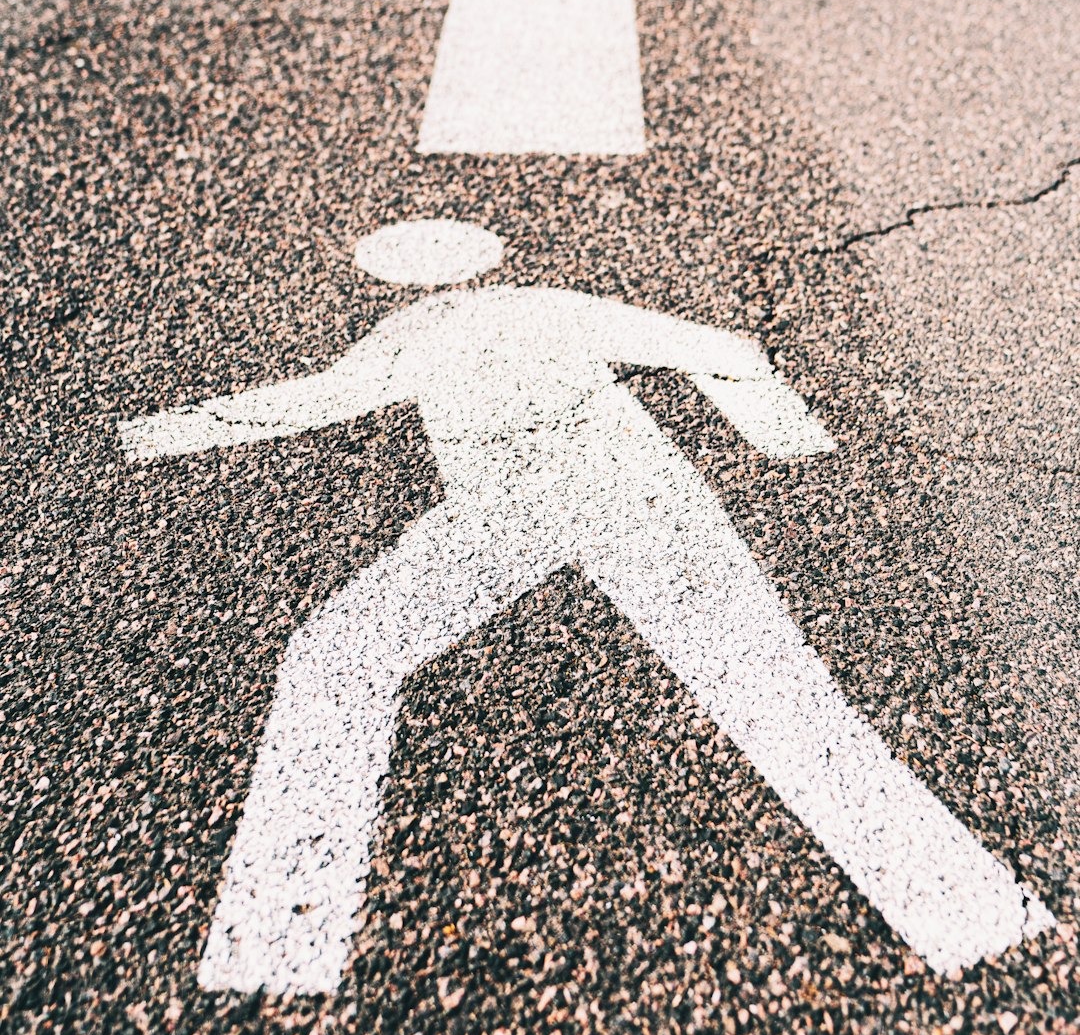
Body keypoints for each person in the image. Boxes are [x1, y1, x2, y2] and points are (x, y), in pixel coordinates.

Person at [122, 220, 1052, 993]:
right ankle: (959, 904)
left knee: (340, 659)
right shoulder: (518, 311)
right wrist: (785, 439)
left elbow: (322, 401)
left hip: (552, 502)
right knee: (767, 686)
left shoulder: (427, 330)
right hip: (603, 497)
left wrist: (163, 433)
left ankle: (277, 938)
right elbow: (723, 350)